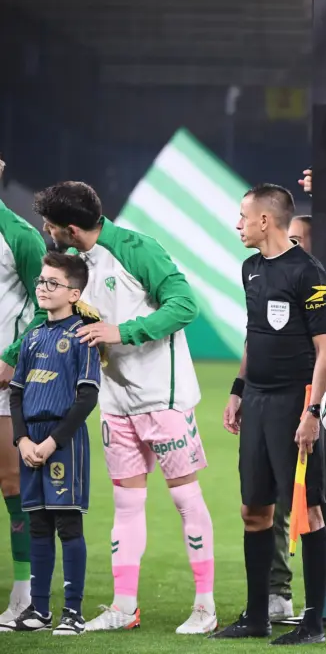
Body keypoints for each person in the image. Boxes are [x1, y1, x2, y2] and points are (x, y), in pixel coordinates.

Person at [32, 181, 217, 634]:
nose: (46, 230)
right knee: (126, 502)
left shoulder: (136, 249)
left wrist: (123, 331)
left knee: (183, 496)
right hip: (115, 401)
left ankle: (205, 607)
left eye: (50, 225)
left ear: (70, 229)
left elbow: (185, 304)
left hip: (162, 395)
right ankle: (124, 606)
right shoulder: (73, 266)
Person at [216, 184, 326, 645]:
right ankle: (257, 615)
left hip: (294, 403)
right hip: (259, 402)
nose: (238, 224)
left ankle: (314, 623)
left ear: (265, 220)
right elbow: (255, 333)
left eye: (243, 216)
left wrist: (313, 412)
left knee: (309, 515)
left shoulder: (309, 273)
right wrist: (237, 390)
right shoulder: (250, 269)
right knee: (254, 511)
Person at [0, 252, 99, 636]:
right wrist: (22, 439)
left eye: (52, 283)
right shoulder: (34, 335)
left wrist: (52, 442)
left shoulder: (83, 335)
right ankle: (38, 612)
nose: (43, 288)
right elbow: (16, 393)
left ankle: (72, 614)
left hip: (64, 441)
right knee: (38, 525)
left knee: (68, 525)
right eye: (41, 282)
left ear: (74, 293)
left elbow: (87, 397)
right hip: (30, 443)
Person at [0, 191, 47, 624]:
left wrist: (12, 356)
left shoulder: (19, 236)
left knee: (12, 482)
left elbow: (43, 306)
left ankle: (25, 590)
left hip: (2, 381)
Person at [269, 211, 311, 623]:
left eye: (300, 239)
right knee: (280, 502)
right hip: (280, 404)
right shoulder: (267, 279)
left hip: (324, 405)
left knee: (313, 504)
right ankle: (278, 593)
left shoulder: (319, 287)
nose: (292, 245)